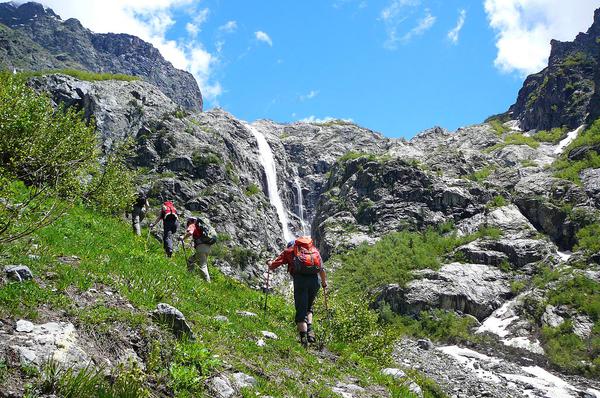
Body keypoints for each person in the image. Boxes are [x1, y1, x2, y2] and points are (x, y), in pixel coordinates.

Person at [267, 236, 327, 347]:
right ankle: (310, 331)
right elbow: (322, 269)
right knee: (309, 308)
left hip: (300, 281)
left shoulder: (289, 251)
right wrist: (324, 284)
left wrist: (270, 263)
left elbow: (273, 265)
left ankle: (303, 340)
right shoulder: (313, 251)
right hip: (315, 281)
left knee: (301, 311)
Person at [180, 216, 217, 282]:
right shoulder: (201, 227)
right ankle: (190, 276)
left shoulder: (193, 225)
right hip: (207, 247)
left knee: (203, 265)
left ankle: (207, 283)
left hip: (201, 247)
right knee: (191, 260)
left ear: (190, 221)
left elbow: (190, 232)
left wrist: (183, 237)